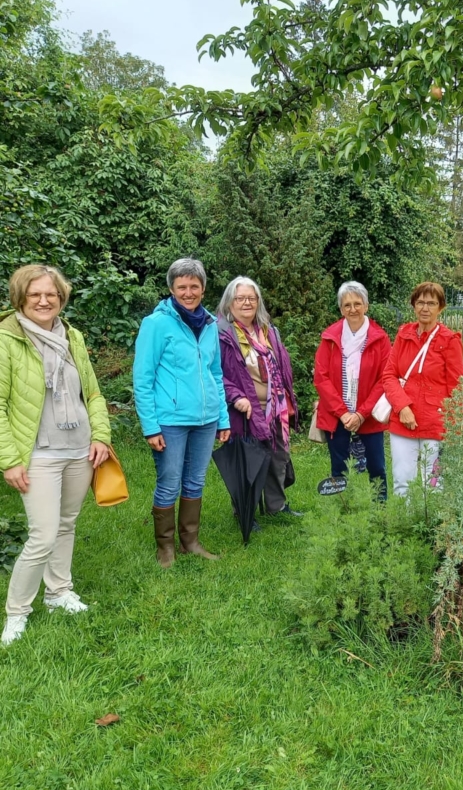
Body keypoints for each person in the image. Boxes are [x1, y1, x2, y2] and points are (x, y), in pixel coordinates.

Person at [0, 265, 111, 646]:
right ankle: (16, 613)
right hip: (39, 454)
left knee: (66, 523)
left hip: (79, 449)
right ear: (21, 299)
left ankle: (58, 592)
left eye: (51, 294)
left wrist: (101, 436)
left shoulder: (72, 336)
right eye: (35, 295)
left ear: (61, 297)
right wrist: (10, 460)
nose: (44, 301)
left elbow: (92, 394)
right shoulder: (6, 340)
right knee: (42, 535)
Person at [133, 258, 230, 568]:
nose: (188, 292)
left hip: (206, 419)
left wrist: (223, 418)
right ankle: (165, 547)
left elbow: (216, 374)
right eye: (181, 287)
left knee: (196, 481)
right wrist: (151, 426)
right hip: (170, 421)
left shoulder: (211, 324)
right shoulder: (156, 324)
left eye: (194, 286)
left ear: (203, 288)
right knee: (170, 482)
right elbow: (143, 378)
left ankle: (190, 542)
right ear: (171, 289)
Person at [217, 276, 301, 518]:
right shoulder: (222, 334)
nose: (246, 303)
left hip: (275, 409)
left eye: (251, 298)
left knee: (278, 456)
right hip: (245, 411)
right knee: (248, 461)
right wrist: (235, 396)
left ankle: (277, 506)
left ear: (258, 302)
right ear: (229, 303)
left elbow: (283, 367)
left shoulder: (269, 331)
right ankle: (246, 511)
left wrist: (287, 396)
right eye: (240, 298)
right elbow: (215, 374)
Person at [382, 282, 463, 496]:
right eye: (420, 302)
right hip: (403, 421)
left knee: (434, 484)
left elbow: (457, 388)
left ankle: (432, 528)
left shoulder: (449, 340)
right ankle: (404, 527)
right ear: (413, 305)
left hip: (435, 422)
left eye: (431, 303)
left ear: (441, 307)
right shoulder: (404, 335)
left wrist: (454, 429)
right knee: (402, 482)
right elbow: (389, 375)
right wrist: (402, 407)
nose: (425, 308)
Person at [314, 281, 392, 497]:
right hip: (336, 415)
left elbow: (384, 379)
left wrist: (360, 413)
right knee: (339, 469)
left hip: (369, 415)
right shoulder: (329, 338)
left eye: (357, 303)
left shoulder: (380, 338)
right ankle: (343, 511)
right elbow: (322, 378)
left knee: (376, 468)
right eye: (347, 305)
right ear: (341, 309)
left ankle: (380, 512)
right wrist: (343, 413)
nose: (353, 309)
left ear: (366, 306)